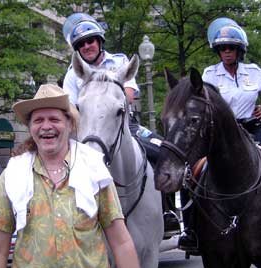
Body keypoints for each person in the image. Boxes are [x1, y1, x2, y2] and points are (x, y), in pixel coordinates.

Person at [0, 84, 147, 268]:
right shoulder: (12, 174)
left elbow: (120, 241)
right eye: (38, 120)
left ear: (70, 124)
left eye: (54, 119)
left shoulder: (94, 170)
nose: (46, 126)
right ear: (30, 127)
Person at [62, 13, 180, 238]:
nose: (87, 46)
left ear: (99, 41)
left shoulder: (119, 61)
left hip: (124, 123)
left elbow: (129, 92)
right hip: (87, 131)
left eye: (91, 41)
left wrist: (111, 106)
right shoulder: (72, 74)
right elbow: (70, 108)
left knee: (163, 151)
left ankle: (166, 212)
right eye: (81, 44)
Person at [178, 18, 261, 252]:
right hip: (221, 136)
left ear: (239, 50)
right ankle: (191, 230)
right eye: (222, 48)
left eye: (231, 48)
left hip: (253, 128)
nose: (226, 52)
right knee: (190, 171)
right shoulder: (209, 74)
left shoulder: (254, 72)